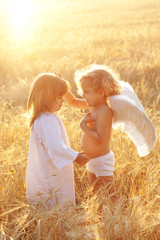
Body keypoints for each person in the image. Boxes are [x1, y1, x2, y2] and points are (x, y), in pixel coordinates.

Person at [26, 73, 89, 208]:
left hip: (52, 165)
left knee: (57, 196)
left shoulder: (48, 116)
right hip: (50, 170)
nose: (62, 101)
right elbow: (55, 147)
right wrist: (75, 156)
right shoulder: (45, 121)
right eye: (59, 98)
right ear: (46, 97)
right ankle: (59, 221)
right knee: (55, 197)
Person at [73, 65, 122, 203]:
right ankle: (101, 218)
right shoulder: (93, 105)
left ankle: (116, 218)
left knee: (109, 194)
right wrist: (63, 91)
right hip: (91, 161)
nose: (83, 95)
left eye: (86, 92)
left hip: (102, 161)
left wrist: (83, 127)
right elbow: (74, 102)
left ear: (101, 92)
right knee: (96, 195)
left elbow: (100, 139)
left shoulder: (104, 111)